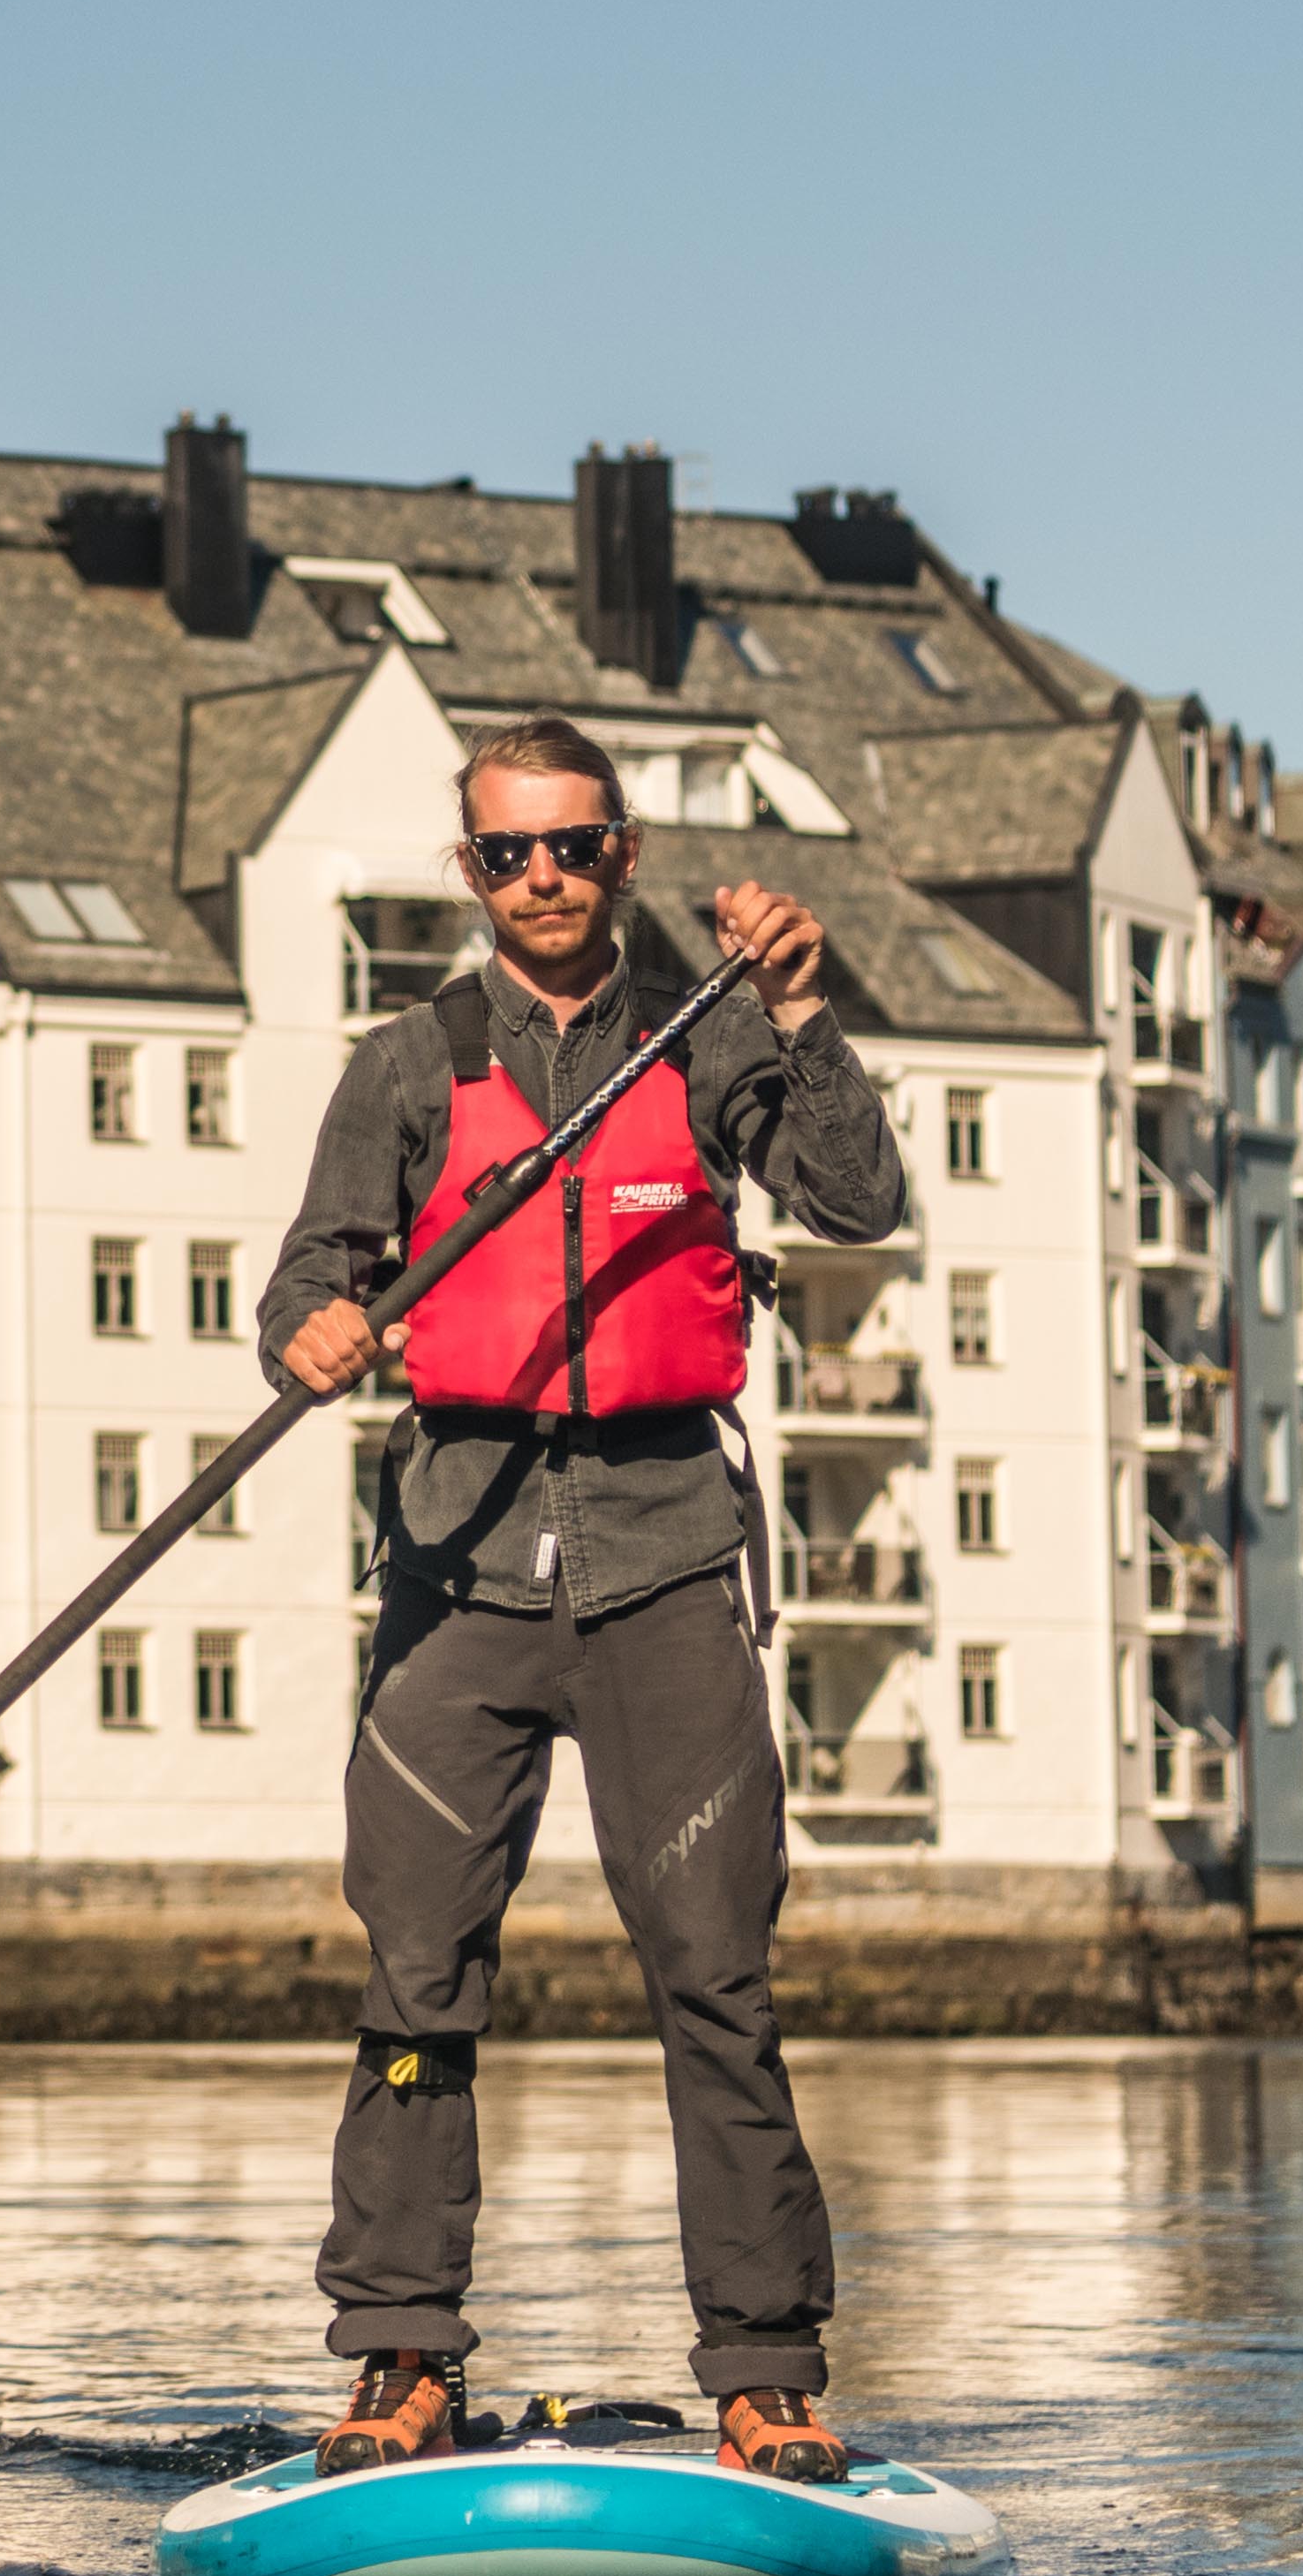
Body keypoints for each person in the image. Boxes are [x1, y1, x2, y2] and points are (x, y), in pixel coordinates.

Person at [253, 712, 912, 2481]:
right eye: (504, 852)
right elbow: (309, 1279)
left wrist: (792, 1009)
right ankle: (399, 2357)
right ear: (470, 876)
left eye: (572, 846)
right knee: (413, 1975)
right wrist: (311, 1329)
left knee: (714, 1977)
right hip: (455, 1562)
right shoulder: (407, 1068)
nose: (540, 877)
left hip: (662, 1555)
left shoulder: (697, 1045)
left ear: (622, 856)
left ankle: (764, 2370)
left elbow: (855, 1200)